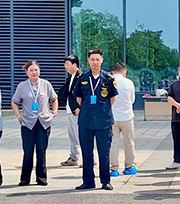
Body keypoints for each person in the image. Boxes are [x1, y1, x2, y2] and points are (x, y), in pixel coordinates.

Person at [74, 48, 119, 191]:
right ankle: (88, 181)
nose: (95, 62)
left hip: (103, 121)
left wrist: (101, 110)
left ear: (102, 60)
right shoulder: (82, 78)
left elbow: (112, 98)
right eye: (92, 59)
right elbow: (78, 98)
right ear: (88, 60)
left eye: (97, 59)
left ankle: (105, 181)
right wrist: (88, 109)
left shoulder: (108, 78)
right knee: (86, 152)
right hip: (86, 121)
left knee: (104, 153)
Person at [12, 61, 58, 186]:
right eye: (31, 70)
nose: (34, 72)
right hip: (28, 122)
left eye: (36, 70)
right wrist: (18, 115)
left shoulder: (46, 84)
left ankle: (41, 177)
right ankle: (25, 178)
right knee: (28, 151)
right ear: (26, 72)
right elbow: (14, 102)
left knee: (41, 151)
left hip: (43, 122)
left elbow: (54, 99)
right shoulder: (22, 86)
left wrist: (54, 112)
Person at [109, 62, 137, 177]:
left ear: (113, 71)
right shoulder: (129, 83)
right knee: (129, 142)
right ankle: (129, 166)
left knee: (113, 143)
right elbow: (132, 100)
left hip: (112, 117)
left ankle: (113, 168)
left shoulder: (109, 82)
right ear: (124, 72)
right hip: (127, 116)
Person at [58, 55, 82, 167]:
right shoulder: (71, 77)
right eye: (65, 64)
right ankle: (73, 157)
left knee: (80, 136)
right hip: (70, 109)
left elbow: (84, 94)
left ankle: (89, 158)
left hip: (77, 111)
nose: (65, 67)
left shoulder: (81, 77)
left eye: (67, 64)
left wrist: (79, 107)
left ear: (75, 65)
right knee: (72, 136)